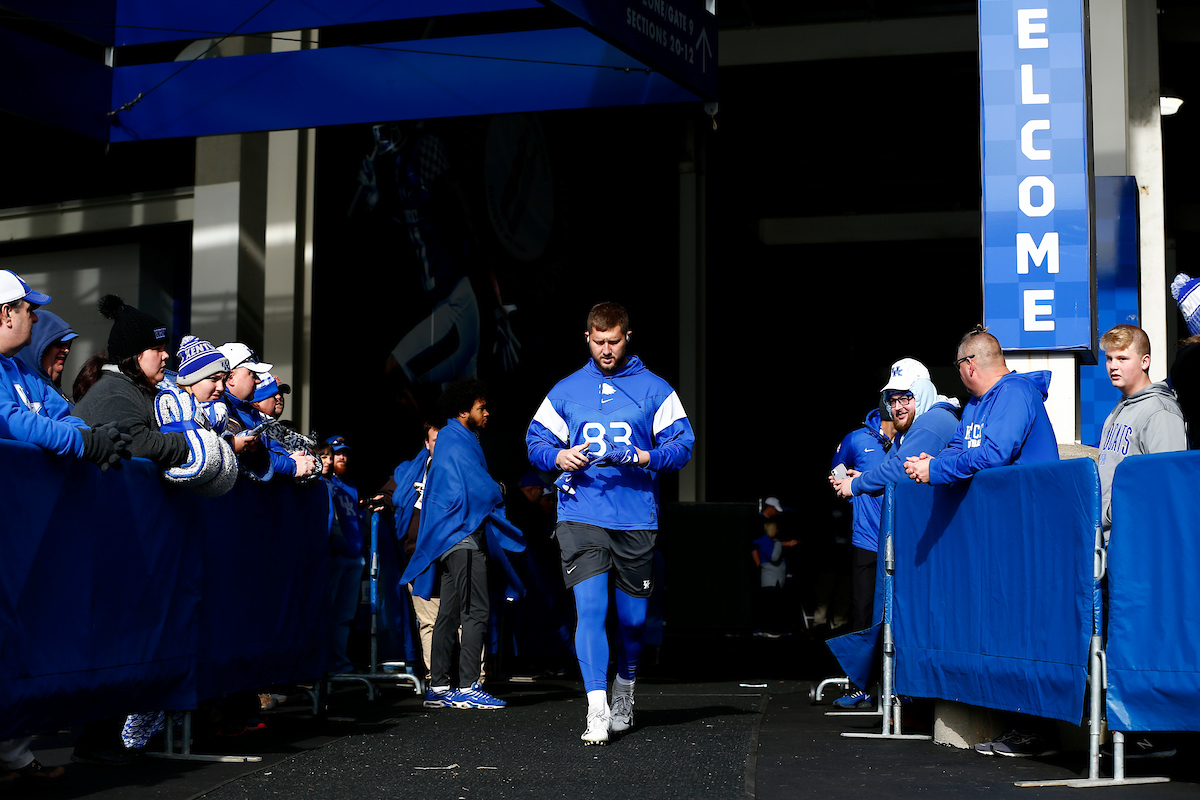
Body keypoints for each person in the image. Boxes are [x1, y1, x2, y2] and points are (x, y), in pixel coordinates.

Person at [526, 302, 695, 745]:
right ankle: (596, 707)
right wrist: (558, 456)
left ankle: (626, 688)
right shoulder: (565, 390)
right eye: (598, 341)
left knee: (634, 621)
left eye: (614, 341)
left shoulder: (655, 389)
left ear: (627, 337)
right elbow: (536, 441)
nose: (606, 349)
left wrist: (644, 456)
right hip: (581, 513)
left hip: (636, 515)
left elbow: (683, 445)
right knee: (592, 610)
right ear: (587, 338)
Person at [401, 380, 525, 710]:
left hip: (451, 540)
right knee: (476, 610)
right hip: (464, 539)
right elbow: (475, 487)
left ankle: (440, 687)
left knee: (448, 613)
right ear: (462, 411)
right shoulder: (457, 440)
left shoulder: (451, 441)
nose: (487, 413)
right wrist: (497, 489)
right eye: (481, 408)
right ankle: (469, 685)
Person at [0, 271, 129, 470]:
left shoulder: (22, 370)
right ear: (7, 313)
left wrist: (93, 436)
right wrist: (83, 442)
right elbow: (10, 421)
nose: (35, 318)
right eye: (30, 309)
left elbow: (61, 416)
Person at [904, 325, 1059, 486]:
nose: (959, 373)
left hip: (1031, 502)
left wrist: (937, 468)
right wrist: (933, 463)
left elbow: (995, 455)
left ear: (969, 364)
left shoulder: (1014, 391)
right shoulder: (974, 403)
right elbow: (958, 447)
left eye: (958, 365)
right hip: (999, 503)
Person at [73, 295, 190, 467]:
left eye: (164, 348)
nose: (166, 355)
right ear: (133, 356)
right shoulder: (112, 392)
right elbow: (137, 444)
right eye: (157, 349)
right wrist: (194, 444)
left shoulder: (132, 386)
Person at [1097, 324, 1186, 535]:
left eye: (1122, 359)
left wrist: (1111, 513)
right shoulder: (1121, 407)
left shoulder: (1160, 411)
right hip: (1113, 537)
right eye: (1109, 358)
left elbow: (1167, 484)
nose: (1113, 366)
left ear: (1145, 361)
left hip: (1138, 538)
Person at [154, 335, 238, 497]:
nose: (221, 387)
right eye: (213, 379)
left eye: (224, 380)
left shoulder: (221, 411)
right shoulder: (171, 407)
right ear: (192, 379)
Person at [318, 437, 366, 675]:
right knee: (327, 610)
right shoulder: (322, 483)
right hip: (335, 555)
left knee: (345, 614)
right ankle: (325, 663)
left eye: (344, 454)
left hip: (353, 555)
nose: (341, 458)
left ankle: (340, 661)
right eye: (336, 454)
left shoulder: (350, 484)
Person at [750, 497, 797, 638]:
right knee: (769, 603)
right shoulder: (760, 530)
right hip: (768, 572)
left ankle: (767, 628)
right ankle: (767, 628)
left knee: (770, 602)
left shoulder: (766, 540)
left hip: (769, 571)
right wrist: (760, 565)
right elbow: (755, 548)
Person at [15, 308, 78, 410]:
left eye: (68, 344)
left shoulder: (56, 392)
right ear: (35, 347)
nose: (66, 350)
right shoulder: (19, 394)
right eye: (60, 343)